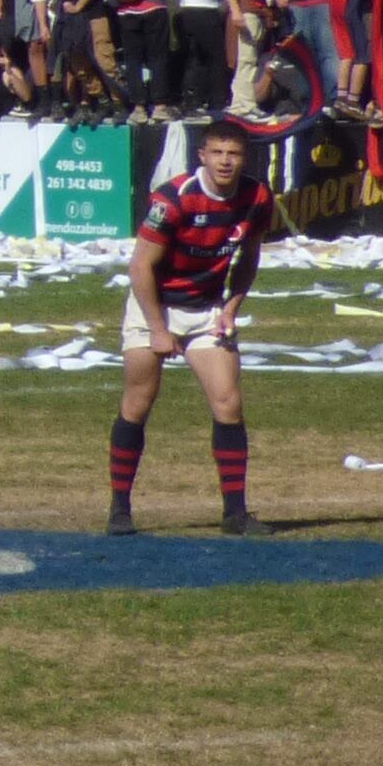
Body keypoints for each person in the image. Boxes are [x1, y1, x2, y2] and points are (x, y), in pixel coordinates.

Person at [113, 125, 267, 537]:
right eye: (217, 151)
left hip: (206, 309)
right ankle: (120, 510)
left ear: (244, 158)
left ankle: (235, 514)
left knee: (228, 402)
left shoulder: (256, 198)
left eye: (233, 153)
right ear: (201, 155)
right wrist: (158, 329)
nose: (225, 160)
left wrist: (231, 309)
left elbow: (250, 258)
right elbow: (140, 266)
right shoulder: (173, 198)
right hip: (155, 304)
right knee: (138, 401)